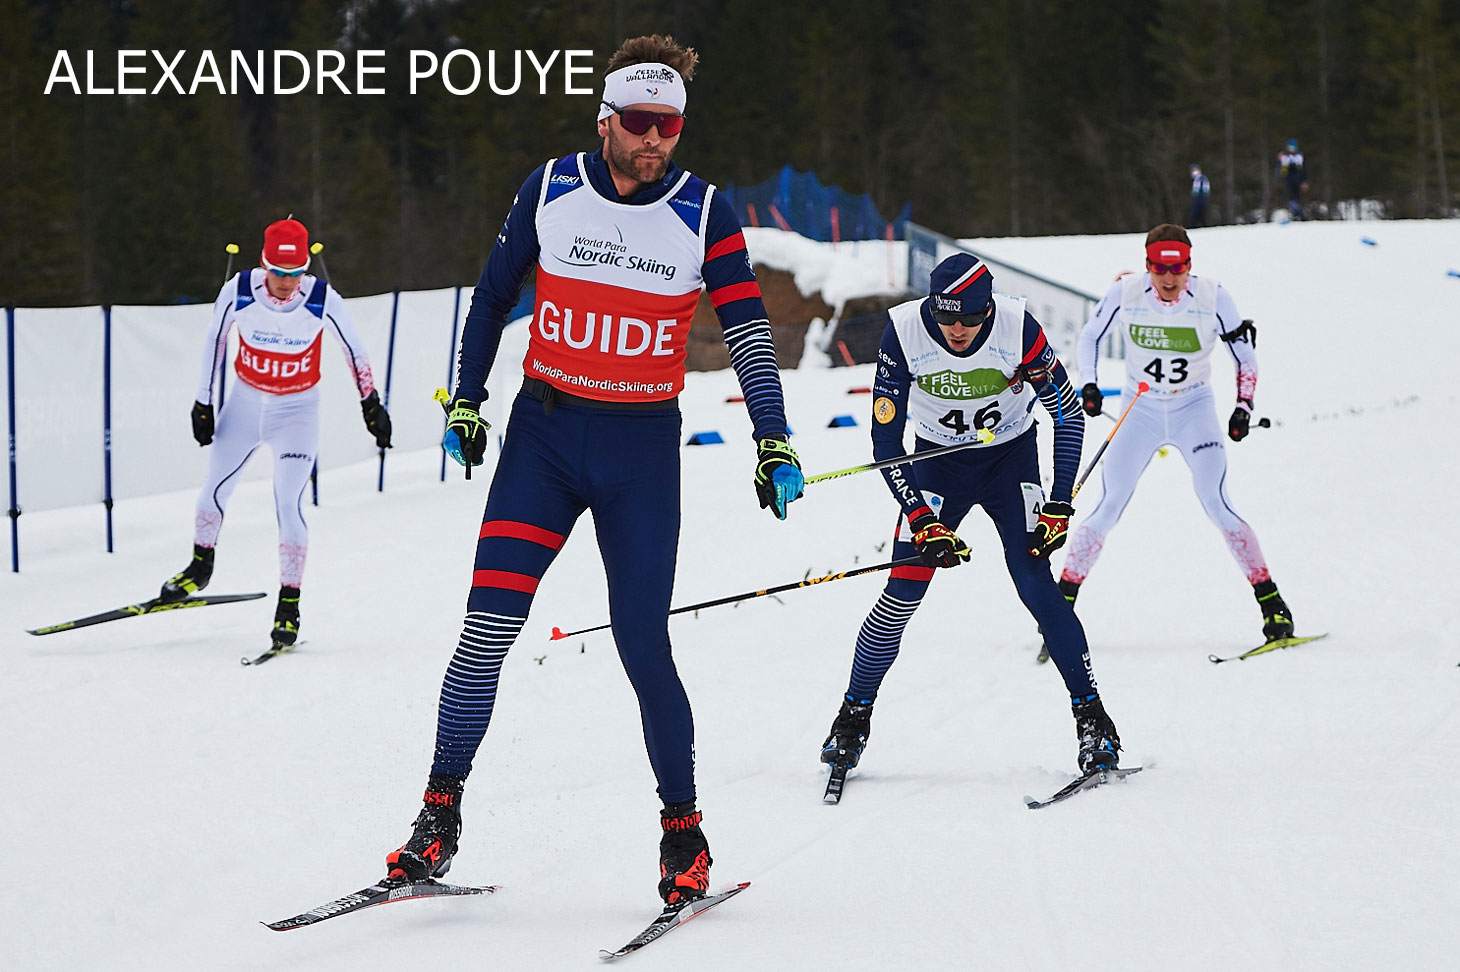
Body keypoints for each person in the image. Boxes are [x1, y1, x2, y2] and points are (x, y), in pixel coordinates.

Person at [384, 34, 804, 905]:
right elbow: (494, 297)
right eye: (643, 124)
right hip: (542, 438)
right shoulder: (550, 188)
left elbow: (750, 332)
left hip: (639, 453)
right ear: (606, 119)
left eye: (672, 127)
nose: (657, 141)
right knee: (484, 634)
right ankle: (437, 818)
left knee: (644, 643)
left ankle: (682, 832)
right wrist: (467, 399)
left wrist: (773, 437)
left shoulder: (706, 211)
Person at [819, 253, 1123, 783]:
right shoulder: (904, 331)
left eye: (968, 317)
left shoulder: (1017, 324)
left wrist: (1059, 501)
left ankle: (1093, 719)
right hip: (936, 466)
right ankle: (852, 718)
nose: (956, 329)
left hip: (1010, 462)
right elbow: (885, 441)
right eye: (946, 317)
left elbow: (1067, 412)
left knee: (1034, 581)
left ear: (988, 309)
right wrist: (919, 517)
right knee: (901, 591)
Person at [160, 218, 391, 649]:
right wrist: (203, 401)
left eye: (295, 273)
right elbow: (215, 341)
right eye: (278, 272)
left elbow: (354, 350)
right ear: (264, 264)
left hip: (297, 412)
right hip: (246, 405)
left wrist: (370, 404)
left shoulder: (321, 299)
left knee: (288, 504)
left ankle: (289, 606)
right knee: (212, 489)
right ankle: (199, 566)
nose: (286, 283)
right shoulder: (240, 291)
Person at [1061, 223, 1295, 643]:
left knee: (1216, 501)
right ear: (1147, 266)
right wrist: (1091, 383)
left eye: (1179, 269)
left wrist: (1243, 407)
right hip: (1140, 408)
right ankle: (1060, 607)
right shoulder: (1125, 292)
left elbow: (1245, 357)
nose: (1169, 280)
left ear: (1190, 266)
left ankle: (1273, 606)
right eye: (1159, 270)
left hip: (1194, 408)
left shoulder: (1214, 296)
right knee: (1109, 503)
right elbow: (1090, 337)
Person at [1276, 139, 1307, 220]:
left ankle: (1299, 215)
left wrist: (1304, 181)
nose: (1292, 149)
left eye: (1293, 147)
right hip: (1288, 181)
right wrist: (1280, 161)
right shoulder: (1285, 157)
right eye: (1290, 147)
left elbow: (1303, 170)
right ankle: (1295, 214)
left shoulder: (1299, 157)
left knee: (1296, 198)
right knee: (1291, 198)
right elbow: (1282, 171)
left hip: (1298, 181)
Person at [1188, 163, 1210, 228]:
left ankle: (1197, 225)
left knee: (1198, 212)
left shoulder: (1202, 178)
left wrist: (1198, 195)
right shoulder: (1196, 179)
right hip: (1198, 198)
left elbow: (1205, 189)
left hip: (1200, 198)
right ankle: (1197, 225)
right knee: (1198, 213)